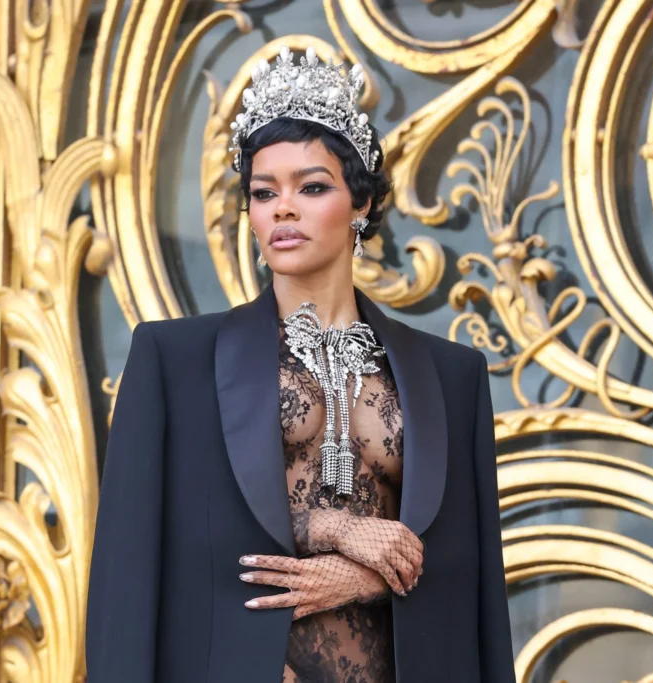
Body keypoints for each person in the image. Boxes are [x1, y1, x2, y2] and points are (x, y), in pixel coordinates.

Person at [85, 45, 516, 682]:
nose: (282, 208)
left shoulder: (453, 377)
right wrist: (334, 527)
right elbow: (135, 569)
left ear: (361, 204)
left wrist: (362, 578)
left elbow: (466, 572)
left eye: (312, 187)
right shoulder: (174, 362)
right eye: (263, 193)